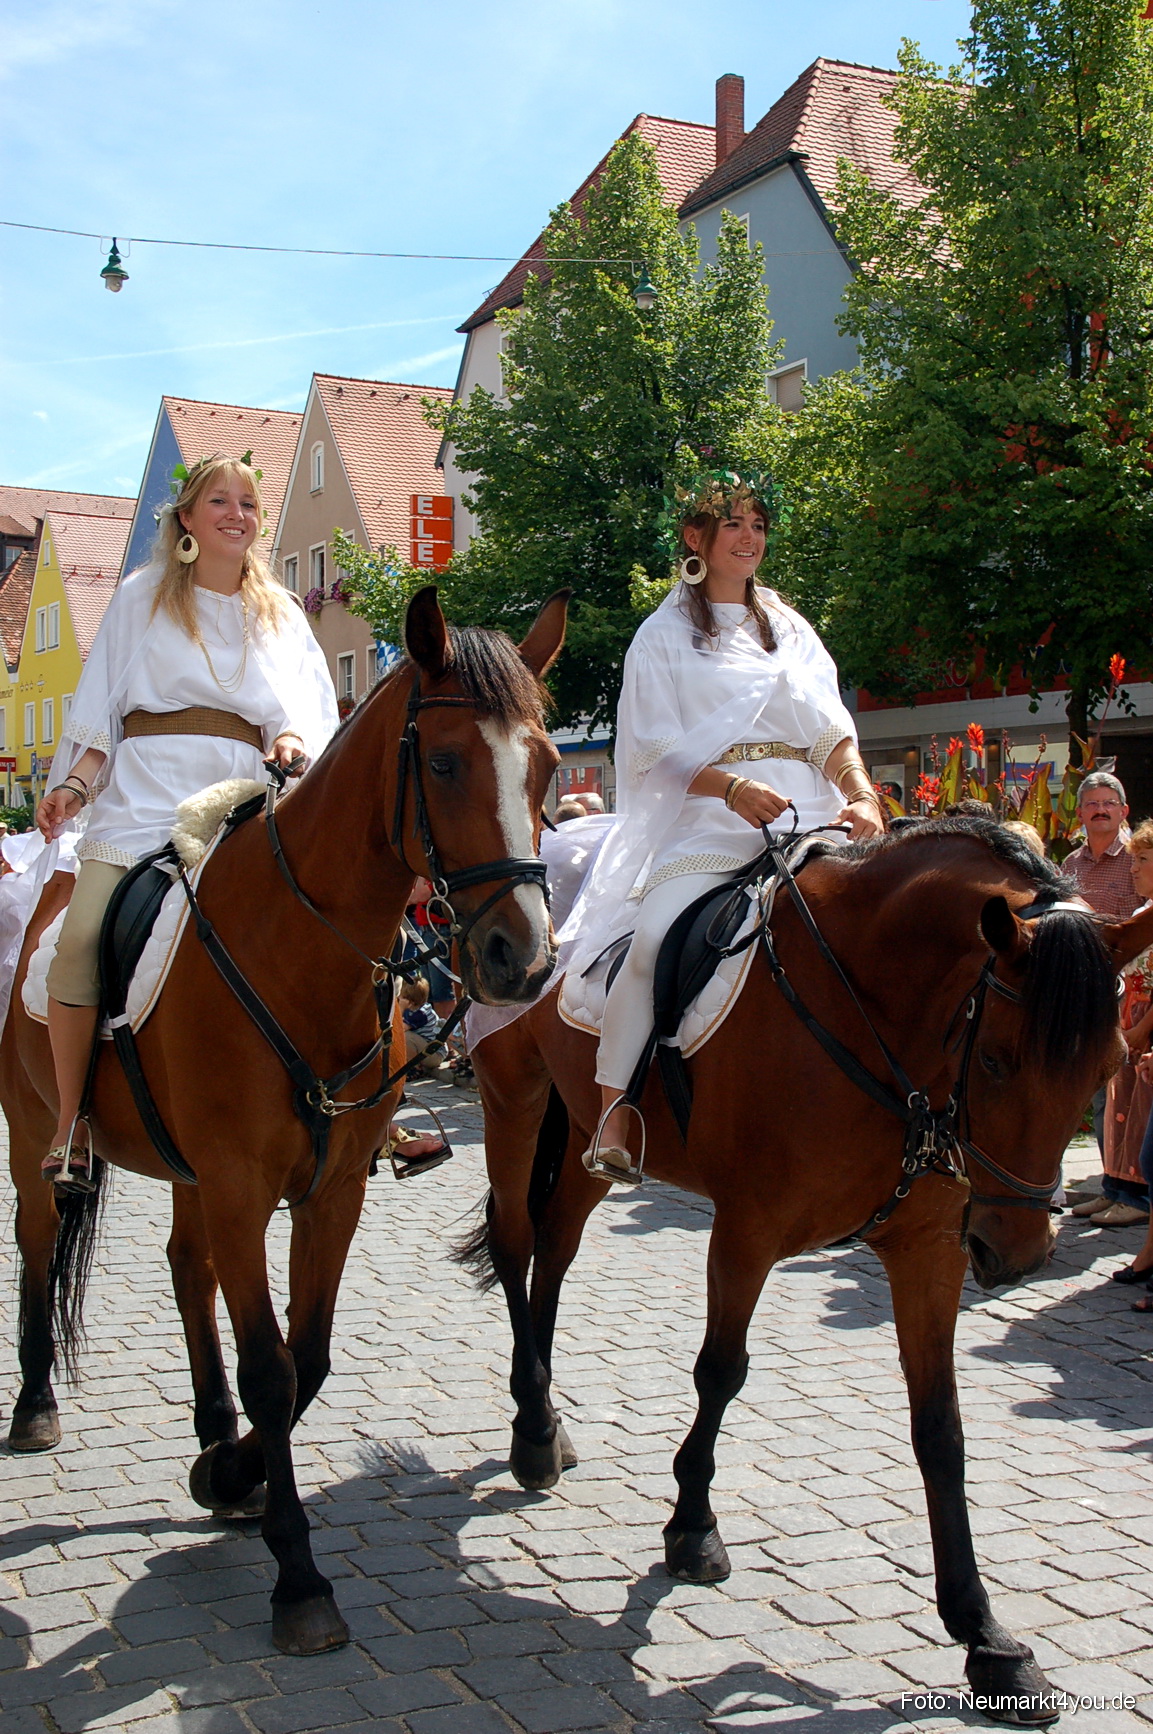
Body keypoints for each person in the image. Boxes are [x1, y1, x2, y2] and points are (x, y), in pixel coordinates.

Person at [571, 468, 884, 1184]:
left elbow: (831, 732)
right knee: (651, 940)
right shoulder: (661, 636)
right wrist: (731, 787)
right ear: (696, 538)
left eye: (758, 526)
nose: (749, 538)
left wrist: (860, 795)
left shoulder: (791, 628)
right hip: (708, 823)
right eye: (734, 525)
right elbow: (649, 748)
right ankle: (616, 1107)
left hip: (809, 814)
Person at [36, 453, 338, 1190]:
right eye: (219, 501)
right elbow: (102, 705)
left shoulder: (281, 612)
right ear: (187, 518)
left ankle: (363, 1109)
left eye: (248, 503)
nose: (237, 513)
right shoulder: (142, 598)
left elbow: (304, 710)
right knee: (78, 944)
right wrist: (76, 783)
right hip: (141, 801)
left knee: (328, 940)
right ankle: (71, 1120)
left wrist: (290, 738)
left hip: (241, 804)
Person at [1065, 772, 1145, 1216]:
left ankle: (1133, 1192)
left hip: (1133, 990)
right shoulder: (1071, 865)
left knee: (1130, 1092)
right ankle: (1113, 1185)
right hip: (1086, 991)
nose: (1100, 809)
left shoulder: (1139, 858)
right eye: (1092, 803)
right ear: (1079, 813)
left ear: (1123, 811)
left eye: (1109, 802)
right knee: (1101, 1092)